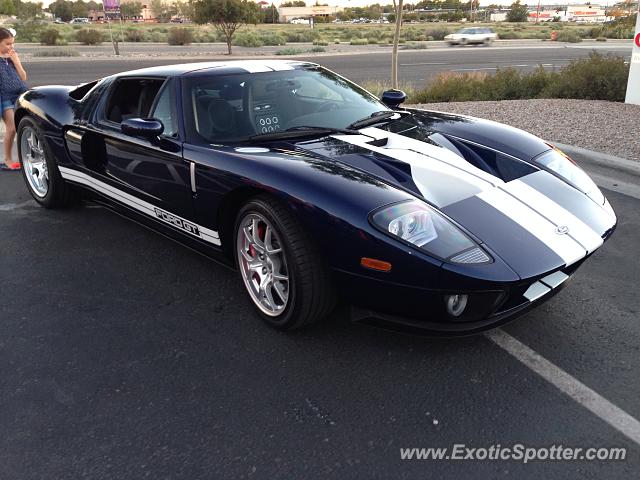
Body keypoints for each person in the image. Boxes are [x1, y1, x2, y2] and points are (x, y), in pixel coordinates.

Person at [0, 27, 27, 171]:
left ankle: (24, 157)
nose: (11, 47)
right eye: (8, 44)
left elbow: (23, 77)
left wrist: (16, 61)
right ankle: (8, 159)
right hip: (4, 97)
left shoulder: (13, 56)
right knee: (11, 129)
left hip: (20, 94)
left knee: (23, 127)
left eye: (12, 43)